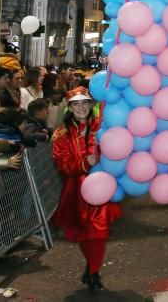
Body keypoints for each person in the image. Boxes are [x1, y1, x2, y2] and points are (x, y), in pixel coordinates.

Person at [51, 87, 121, 293]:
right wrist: (83, 163)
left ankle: (94, 271)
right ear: (69, 107)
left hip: (103, 187)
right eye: (76, 104)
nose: (81, 107)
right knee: (82, 234)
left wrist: (105, 146)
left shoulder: (103, 126)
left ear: (91, 105)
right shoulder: (61, 134)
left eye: (84, 103)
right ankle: (91, 266)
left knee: (99, 232)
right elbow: (62, 164)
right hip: (77, 190)